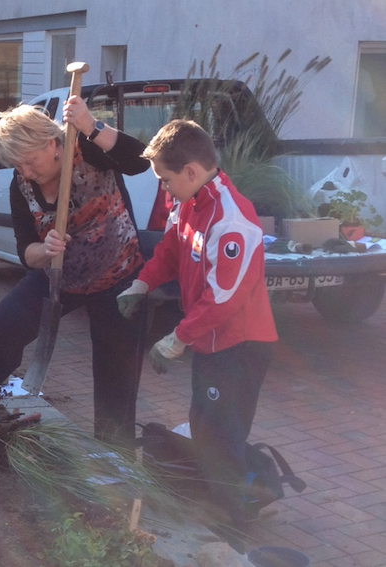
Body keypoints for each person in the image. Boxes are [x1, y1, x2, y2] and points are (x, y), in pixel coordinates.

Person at [0, 97, 150, 444]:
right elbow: (25, 250)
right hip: (59, 277)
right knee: (0, 328)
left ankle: (116, 452)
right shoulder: (21, 185)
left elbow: (140, 161)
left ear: (52, 143)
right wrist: (44, 249)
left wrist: (91, 125)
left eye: (31, 162)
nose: (27, 173)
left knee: (116, 372)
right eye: (19, 166)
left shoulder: (88, 150)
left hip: (117, 276)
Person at [116, 119, 278, 525]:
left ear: (191, 171)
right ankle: (220, 510)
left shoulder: (232, 221)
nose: (163, 189)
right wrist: (141, 282)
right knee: (206, 431)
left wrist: (176, 339)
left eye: (166, 180)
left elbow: (223, 300)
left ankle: (233, 527)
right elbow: (170, 251)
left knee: (222, 440)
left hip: (240, 346)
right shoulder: (187, 204)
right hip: (211, 342)